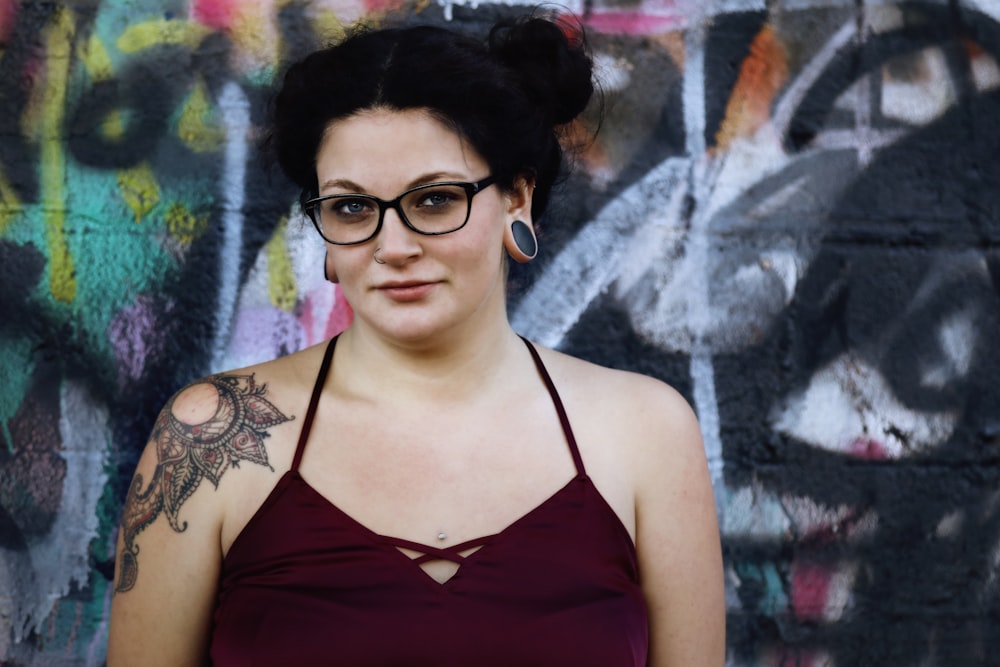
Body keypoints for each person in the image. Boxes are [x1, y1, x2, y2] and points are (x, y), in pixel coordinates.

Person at [107, 12, 724, 666]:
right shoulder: (209, 439)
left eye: (433, 200)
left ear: (517, 196)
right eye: (351, 207)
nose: (392, 246)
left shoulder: (644, 433)